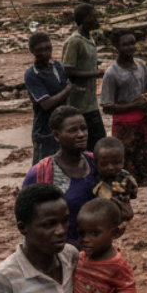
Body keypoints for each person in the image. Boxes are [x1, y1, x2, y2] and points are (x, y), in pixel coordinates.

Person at [100, 31, 147, 221]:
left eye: (133, 43)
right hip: (124, 130)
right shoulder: (111, 74)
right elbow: (107, 107)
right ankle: (121, 213)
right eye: (126, 44)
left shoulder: (141, 66)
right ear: (116, 47)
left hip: (144, 127)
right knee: (119, 175)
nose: (130, 48)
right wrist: (133, 105)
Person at [24, 106, 98, 248]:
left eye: (84, 128)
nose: (81, 134)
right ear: (57, 135)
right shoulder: (40, 174)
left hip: (96, 249)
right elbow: (27, 220)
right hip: (60, 251)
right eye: (72, 130)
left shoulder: (96, 163)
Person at [24, 32, 74, 165]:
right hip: (44, 130)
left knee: (63, 166)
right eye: (40, 50)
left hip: (62, 127)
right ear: (32, 51)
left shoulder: (57, 66)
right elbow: (46, 104)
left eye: (48, 48)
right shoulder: (31, 74)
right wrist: (68, 89)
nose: (45, 53)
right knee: (42, 169)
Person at [63, 4, 106, 152]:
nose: (97, 19)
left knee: (97, 143)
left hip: (90, 100)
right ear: (85, 19)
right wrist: (96, 73)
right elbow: (68, 71)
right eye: (94, 17)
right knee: (90, 145)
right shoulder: (75, 41)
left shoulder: (90, 39)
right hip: (78, 103)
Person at [92, 137, 137, 226]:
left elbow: (131, 194)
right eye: (104, 164)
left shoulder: (123, 179)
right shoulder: (92, 176)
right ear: (96, 163)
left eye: (116, 163)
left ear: (123, 161)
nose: (110, 168)